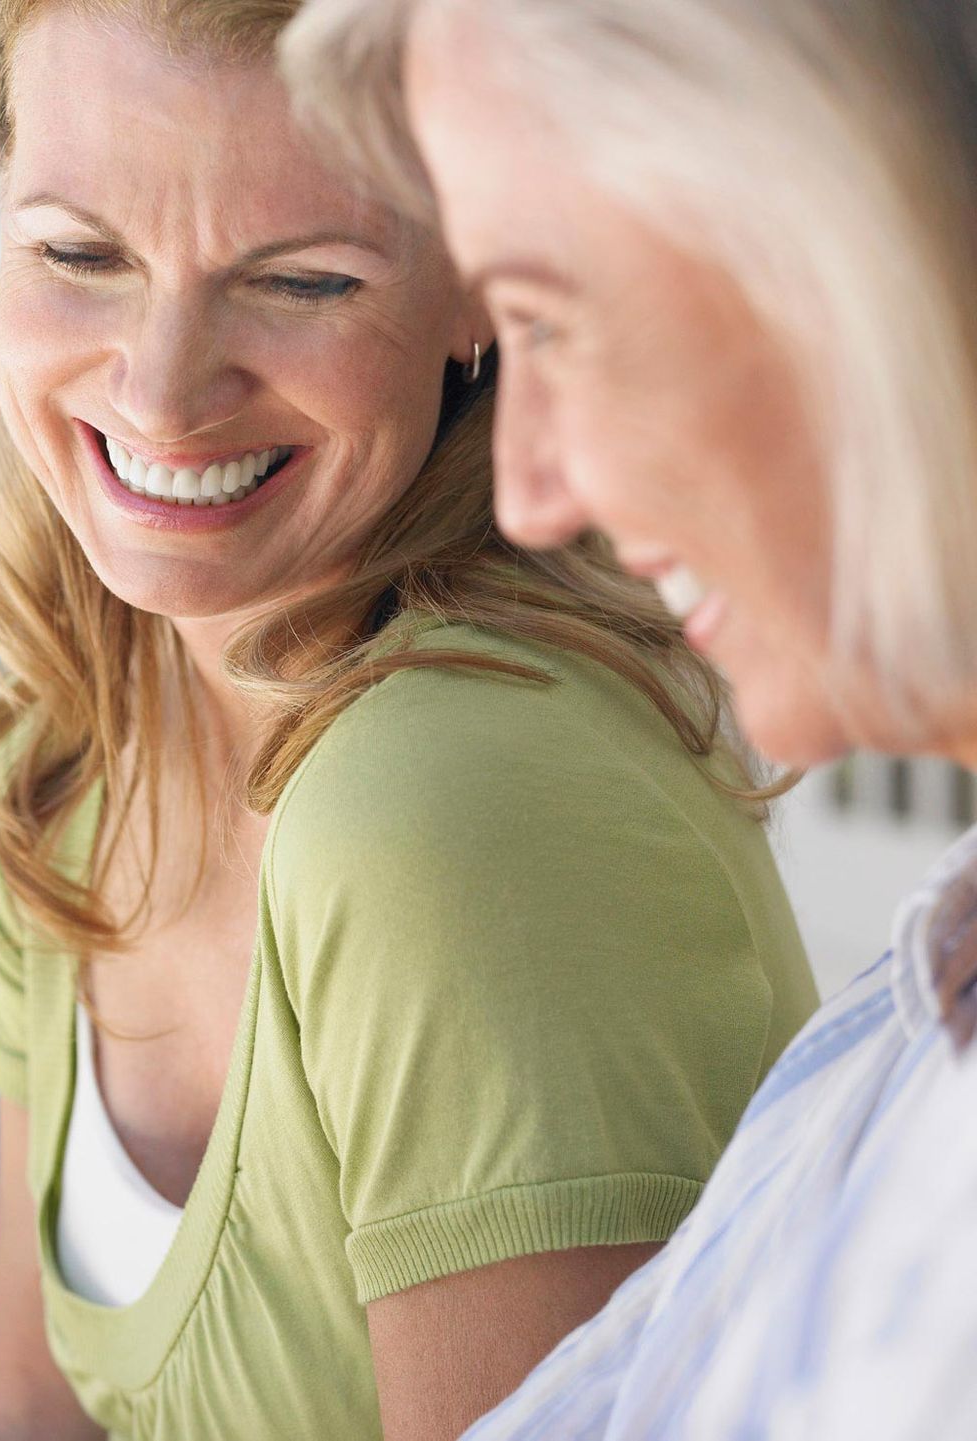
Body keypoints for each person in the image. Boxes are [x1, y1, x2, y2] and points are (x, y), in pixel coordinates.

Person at [0, 3, 817, 1438]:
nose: (161, 391)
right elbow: (31, 1409)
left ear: (482, 277)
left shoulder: (452, 793)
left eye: (301, 281)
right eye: (78, 252)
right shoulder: (57, 768)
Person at [281, 0, 977, 1434]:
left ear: (856, 229)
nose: (527, 488)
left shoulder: (440, 787)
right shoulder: (898, 1041)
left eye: (543, 318)